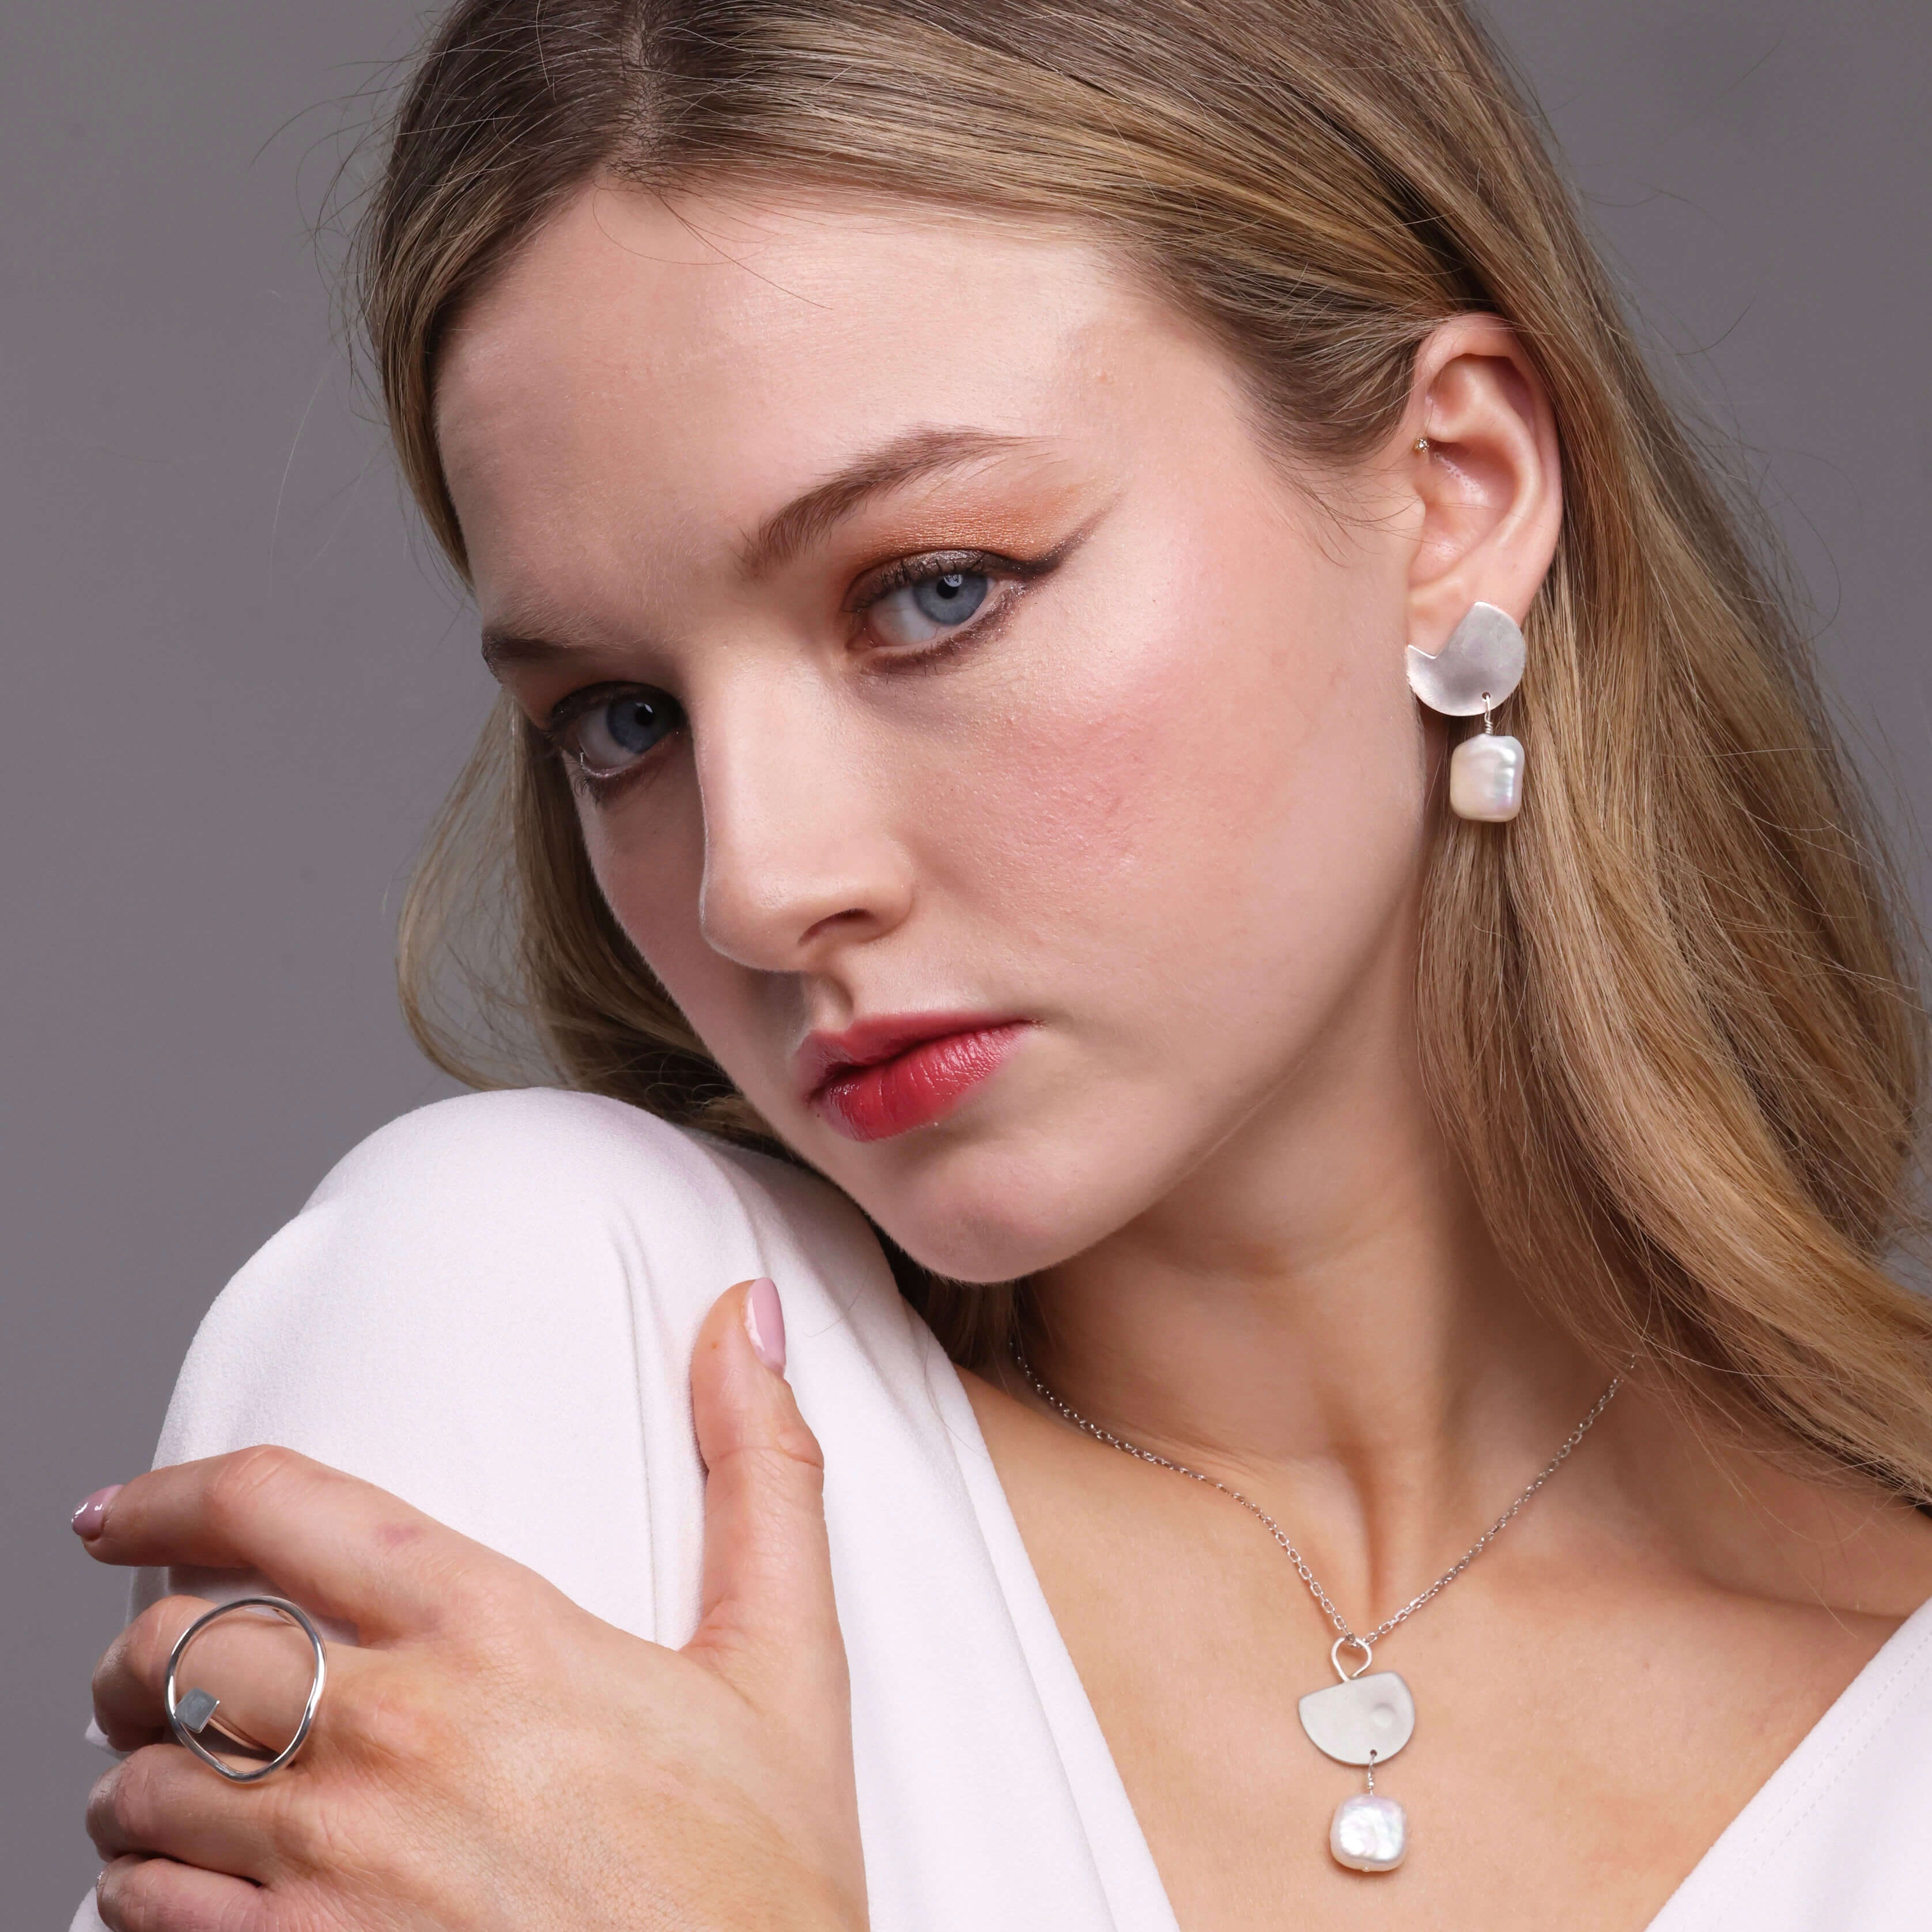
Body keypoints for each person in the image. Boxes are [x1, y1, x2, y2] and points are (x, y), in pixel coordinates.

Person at [69, 0, 1932, 1926]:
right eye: (624, 717)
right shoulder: (571, 1356)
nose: (757, 883)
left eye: (931, 589)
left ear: (1450, 495)